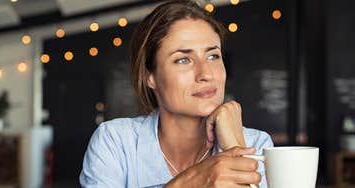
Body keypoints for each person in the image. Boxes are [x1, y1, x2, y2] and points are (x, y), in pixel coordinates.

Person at [80, 0, 273, 187]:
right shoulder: (116, 142)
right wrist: (193, 181)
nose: (205, 74)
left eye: (213, 56)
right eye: (183, 60)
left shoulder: (257, 144)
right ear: (150, 77)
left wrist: (234, 148)